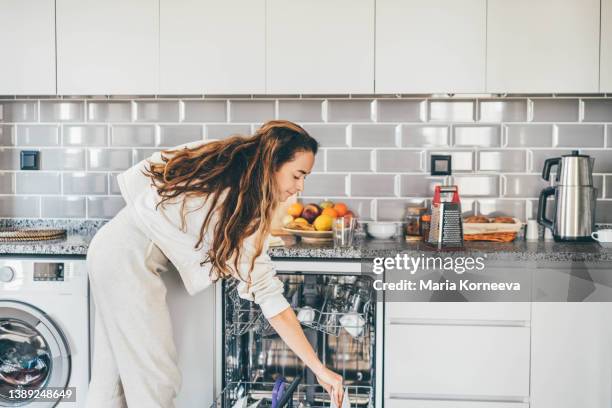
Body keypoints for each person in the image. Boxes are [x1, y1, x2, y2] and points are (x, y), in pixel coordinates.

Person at [85, 120, 344, 407]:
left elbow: (141, 177)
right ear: (273, 163)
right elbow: (272, 301)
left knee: (111, 382)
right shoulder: (244, 204)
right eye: (298, 175)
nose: (300, 187)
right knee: (156, 381)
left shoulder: (223, 157)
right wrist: (319, 369)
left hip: (112, 244)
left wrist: (157, 225)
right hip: (128, 260)